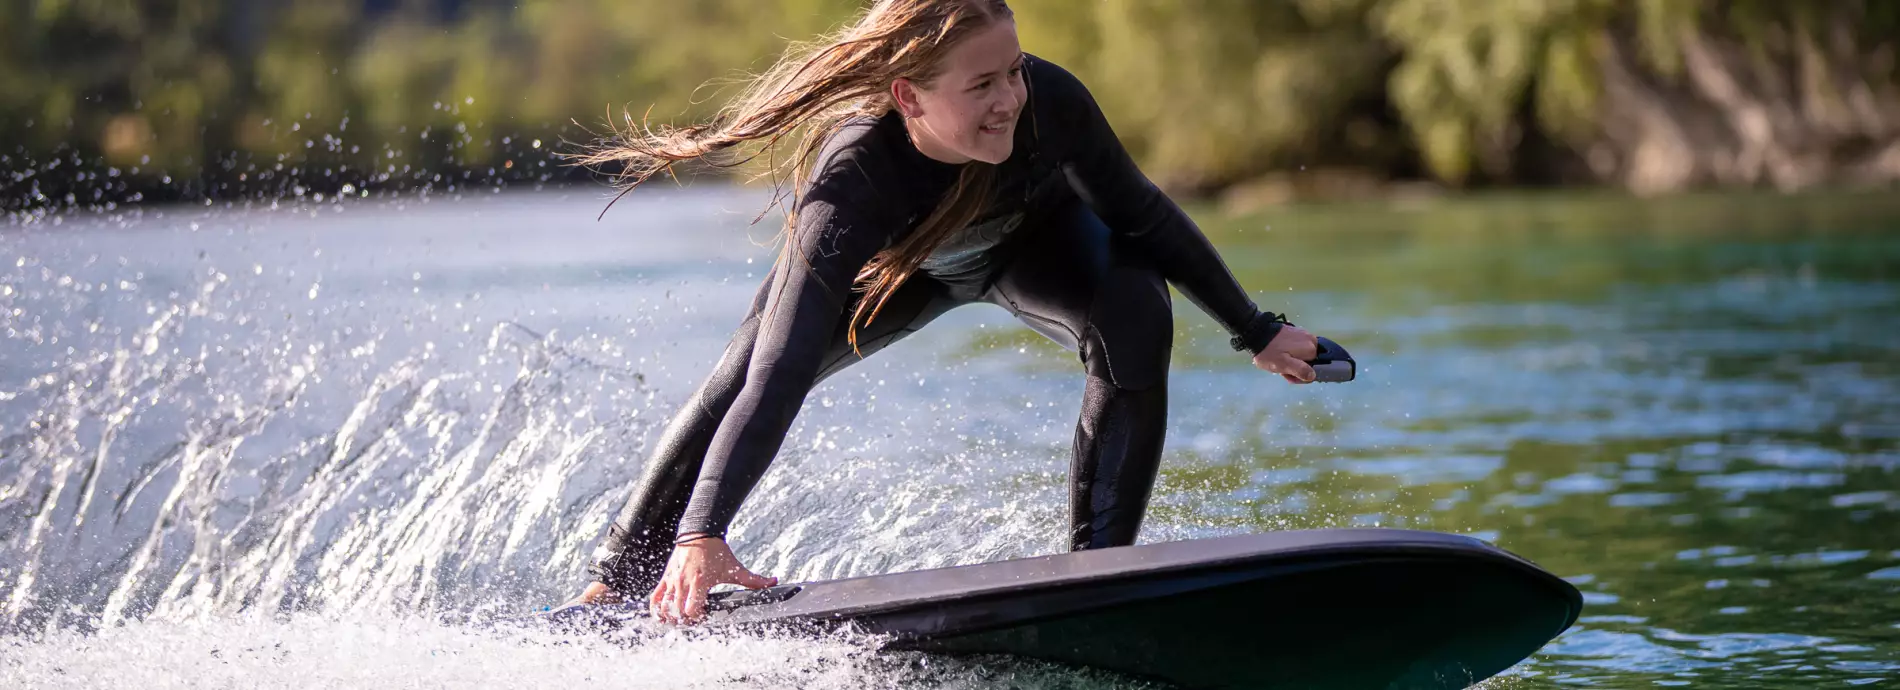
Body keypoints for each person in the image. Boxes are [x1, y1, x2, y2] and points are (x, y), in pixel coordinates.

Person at [567, 0, 1321, 624]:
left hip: (1034, 248)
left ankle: (1097, 578)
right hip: (897, 274)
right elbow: (782, 369)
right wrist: (704, 530)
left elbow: (1143, 216)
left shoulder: (1052, 103)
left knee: (1135, 307)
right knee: (747, 370)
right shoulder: (854, 175)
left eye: (1014, 71)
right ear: (909, 97)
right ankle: (621, 583)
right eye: (982, 83)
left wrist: (1256, 331)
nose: (1010, 99)